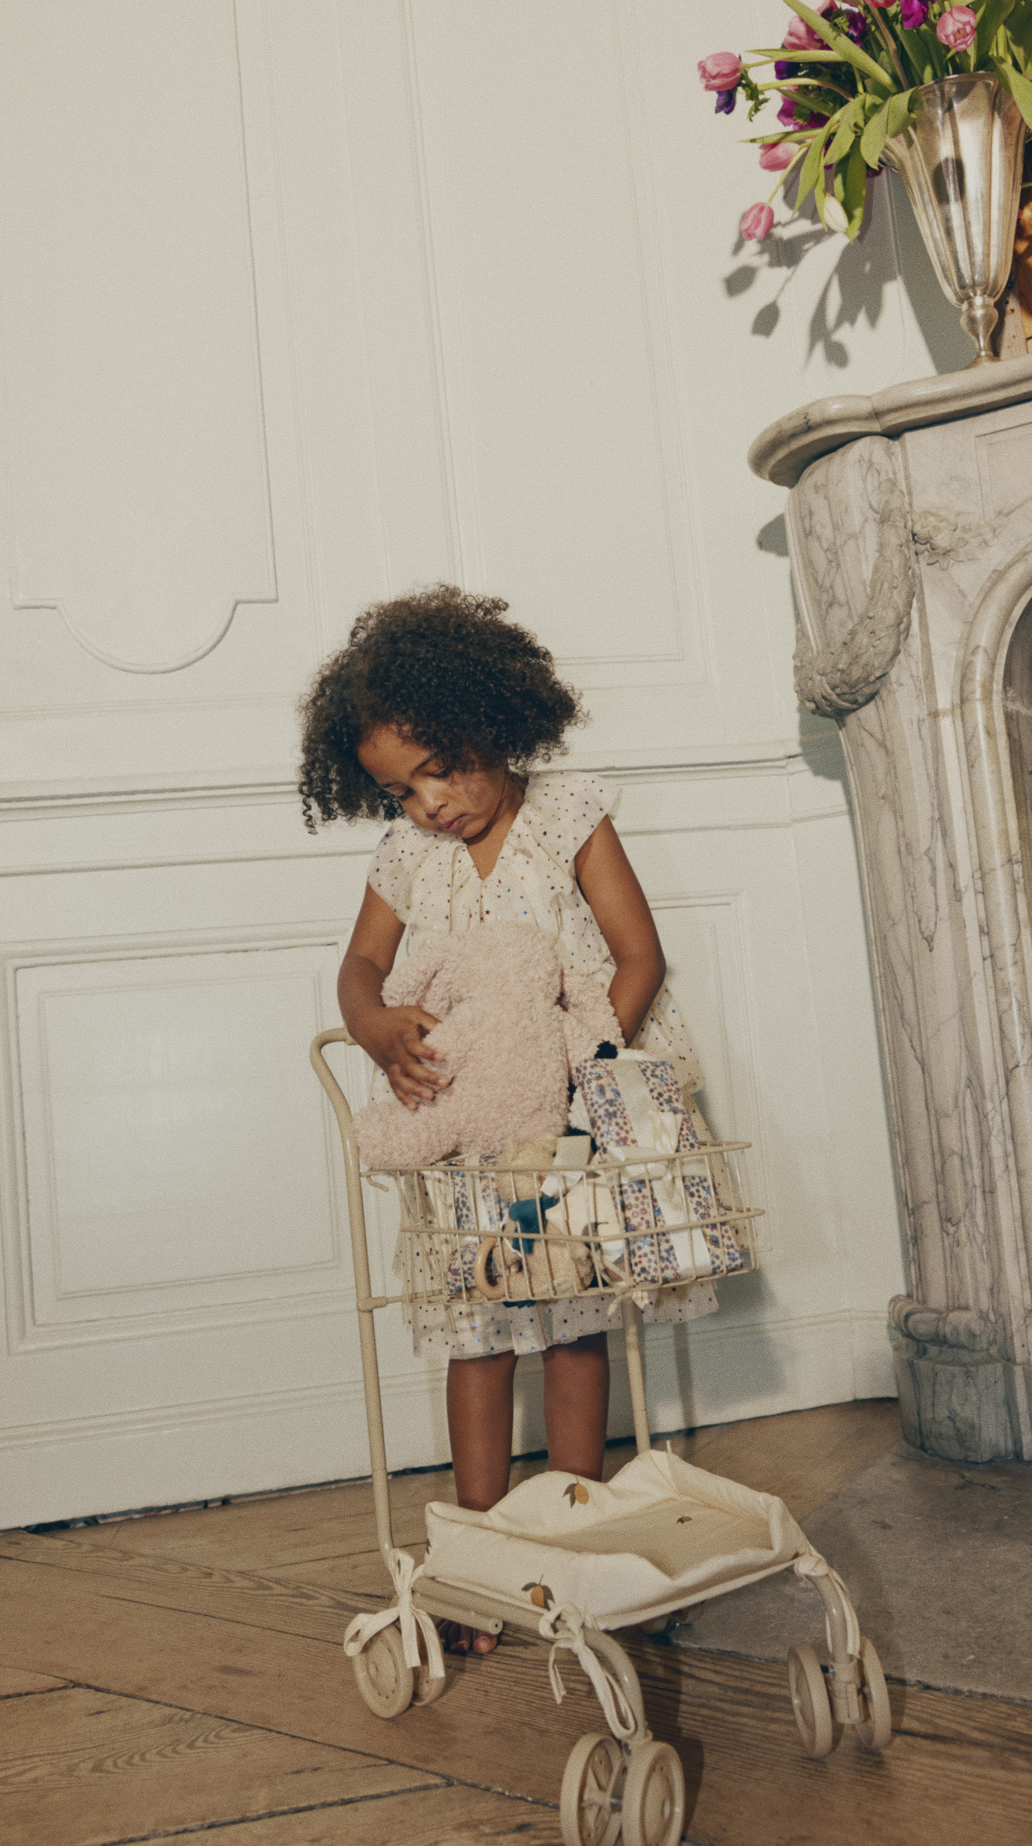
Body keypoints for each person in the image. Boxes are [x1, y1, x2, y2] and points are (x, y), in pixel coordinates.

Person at [299, 584, 715, 1650]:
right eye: (399, 790)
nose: (428, 804)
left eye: (440, 768)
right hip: (466, 1127)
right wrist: (373, 1023)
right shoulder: (406, 859)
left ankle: (573, 1539)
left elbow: (637, 955)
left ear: (490, 721)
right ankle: (480, 1554)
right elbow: (359, 967)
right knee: (478, 1329)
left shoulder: (569, 818)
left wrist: (586, 1073)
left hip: (568, 1119)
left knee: (573, 1319)